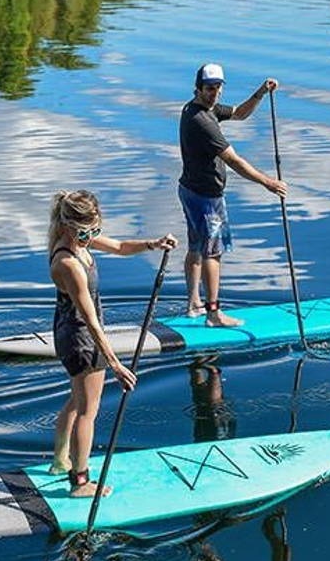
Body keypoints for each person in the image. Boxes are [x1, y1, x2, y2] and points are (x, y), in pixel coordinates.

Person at [48, 189, 177, 497]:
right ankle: (80, 482)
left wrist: (152, 244)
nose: (92, 235)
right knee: (87, 411)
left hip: (72, 332)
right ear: (68, 225)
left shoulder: (79, 242)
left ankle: (59, 460)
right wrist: (115, 364)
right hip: (80, 338)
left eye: (96, 229)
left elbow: (119, 247)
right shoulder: (68, 262)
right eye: (86, 230)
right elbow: (90, 319)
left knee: (76, 400)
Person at [178, 62, 288, 327]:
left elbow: (239, 113)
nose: (214, 93)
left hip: (189, 190)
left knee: (195, 247)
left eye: (218, 88)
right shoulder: (202, 120)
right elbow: (233, 160)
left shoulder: (203, 108)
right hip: (206, 198)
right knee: (212, 253)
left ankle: (194, 304)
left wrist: (260, 93)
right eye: (209, 88)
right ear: (197, 88)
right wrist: (267, 182)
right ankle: (214, 314)